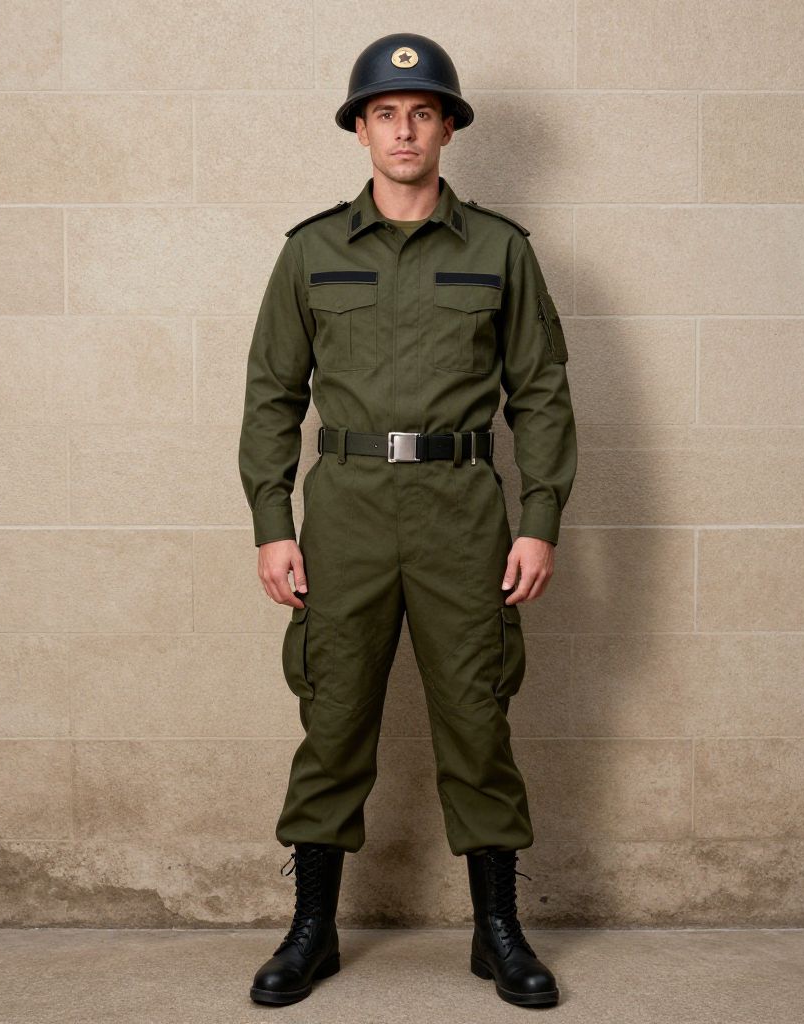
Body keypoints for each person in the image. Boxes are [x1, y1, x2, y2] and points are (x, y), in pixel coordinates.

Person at [239, 32, 576, 1008]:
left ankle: (497, 934)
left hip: (461, 515)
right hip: (343, 513)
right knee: (333, 718)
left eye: (421, 113)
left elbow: (541, 394)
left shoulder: (500, 250)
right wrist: (272, 519)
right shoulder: (310, 252)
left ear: (447, 129)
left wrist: (540, 517)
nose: (402, 130)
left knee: (476, 720)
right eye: (384, 114)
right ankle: (311, 932)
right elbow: (271, 395)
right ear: (359, 129)